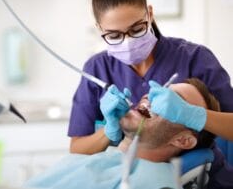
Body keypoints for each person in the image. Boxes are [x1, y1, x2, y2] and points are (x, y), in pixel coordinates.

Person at [67, 0, 233, 188]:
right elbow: (77, 148)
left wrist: (195, 116)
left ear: (150, 13)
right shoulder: (97, 69)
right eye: (114, 35)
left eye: (136, 29)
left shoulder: (195, 58)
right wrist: (109, 132)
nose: (127, 41)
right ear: (100, 29)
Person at [26, 79, 218, 189]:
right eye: (161, 91)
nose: (152, 96)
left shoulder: (155, 183)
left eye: (174, 101)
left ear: (183, 140)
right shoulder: (95, 159)